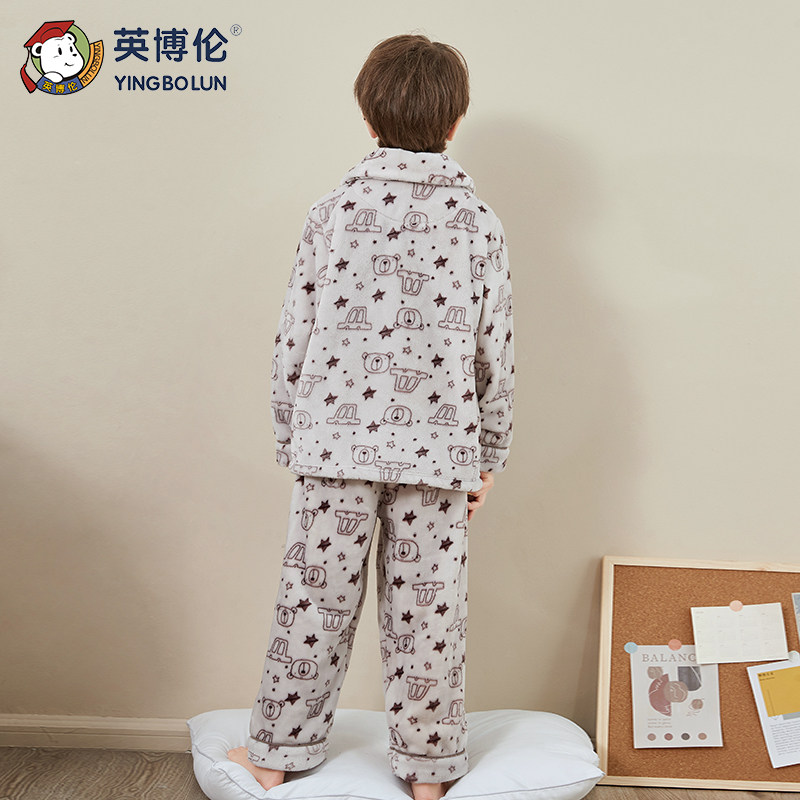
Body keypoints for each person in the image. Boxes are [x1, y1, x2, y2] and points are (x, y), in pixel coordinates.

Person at [227, 33, 514, 800]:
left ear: (368, 117)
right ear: (455, 121)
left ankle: (276, 754)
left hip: (335, 445)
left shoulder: (332, 212)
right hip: (437, 451)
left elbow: (294, 334)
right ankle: (428, 772)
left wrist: (292, 434)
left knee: (314, 601)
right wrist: (487, 454)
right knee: (429, 613)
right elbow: (494, 348)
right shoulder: (478, 223)